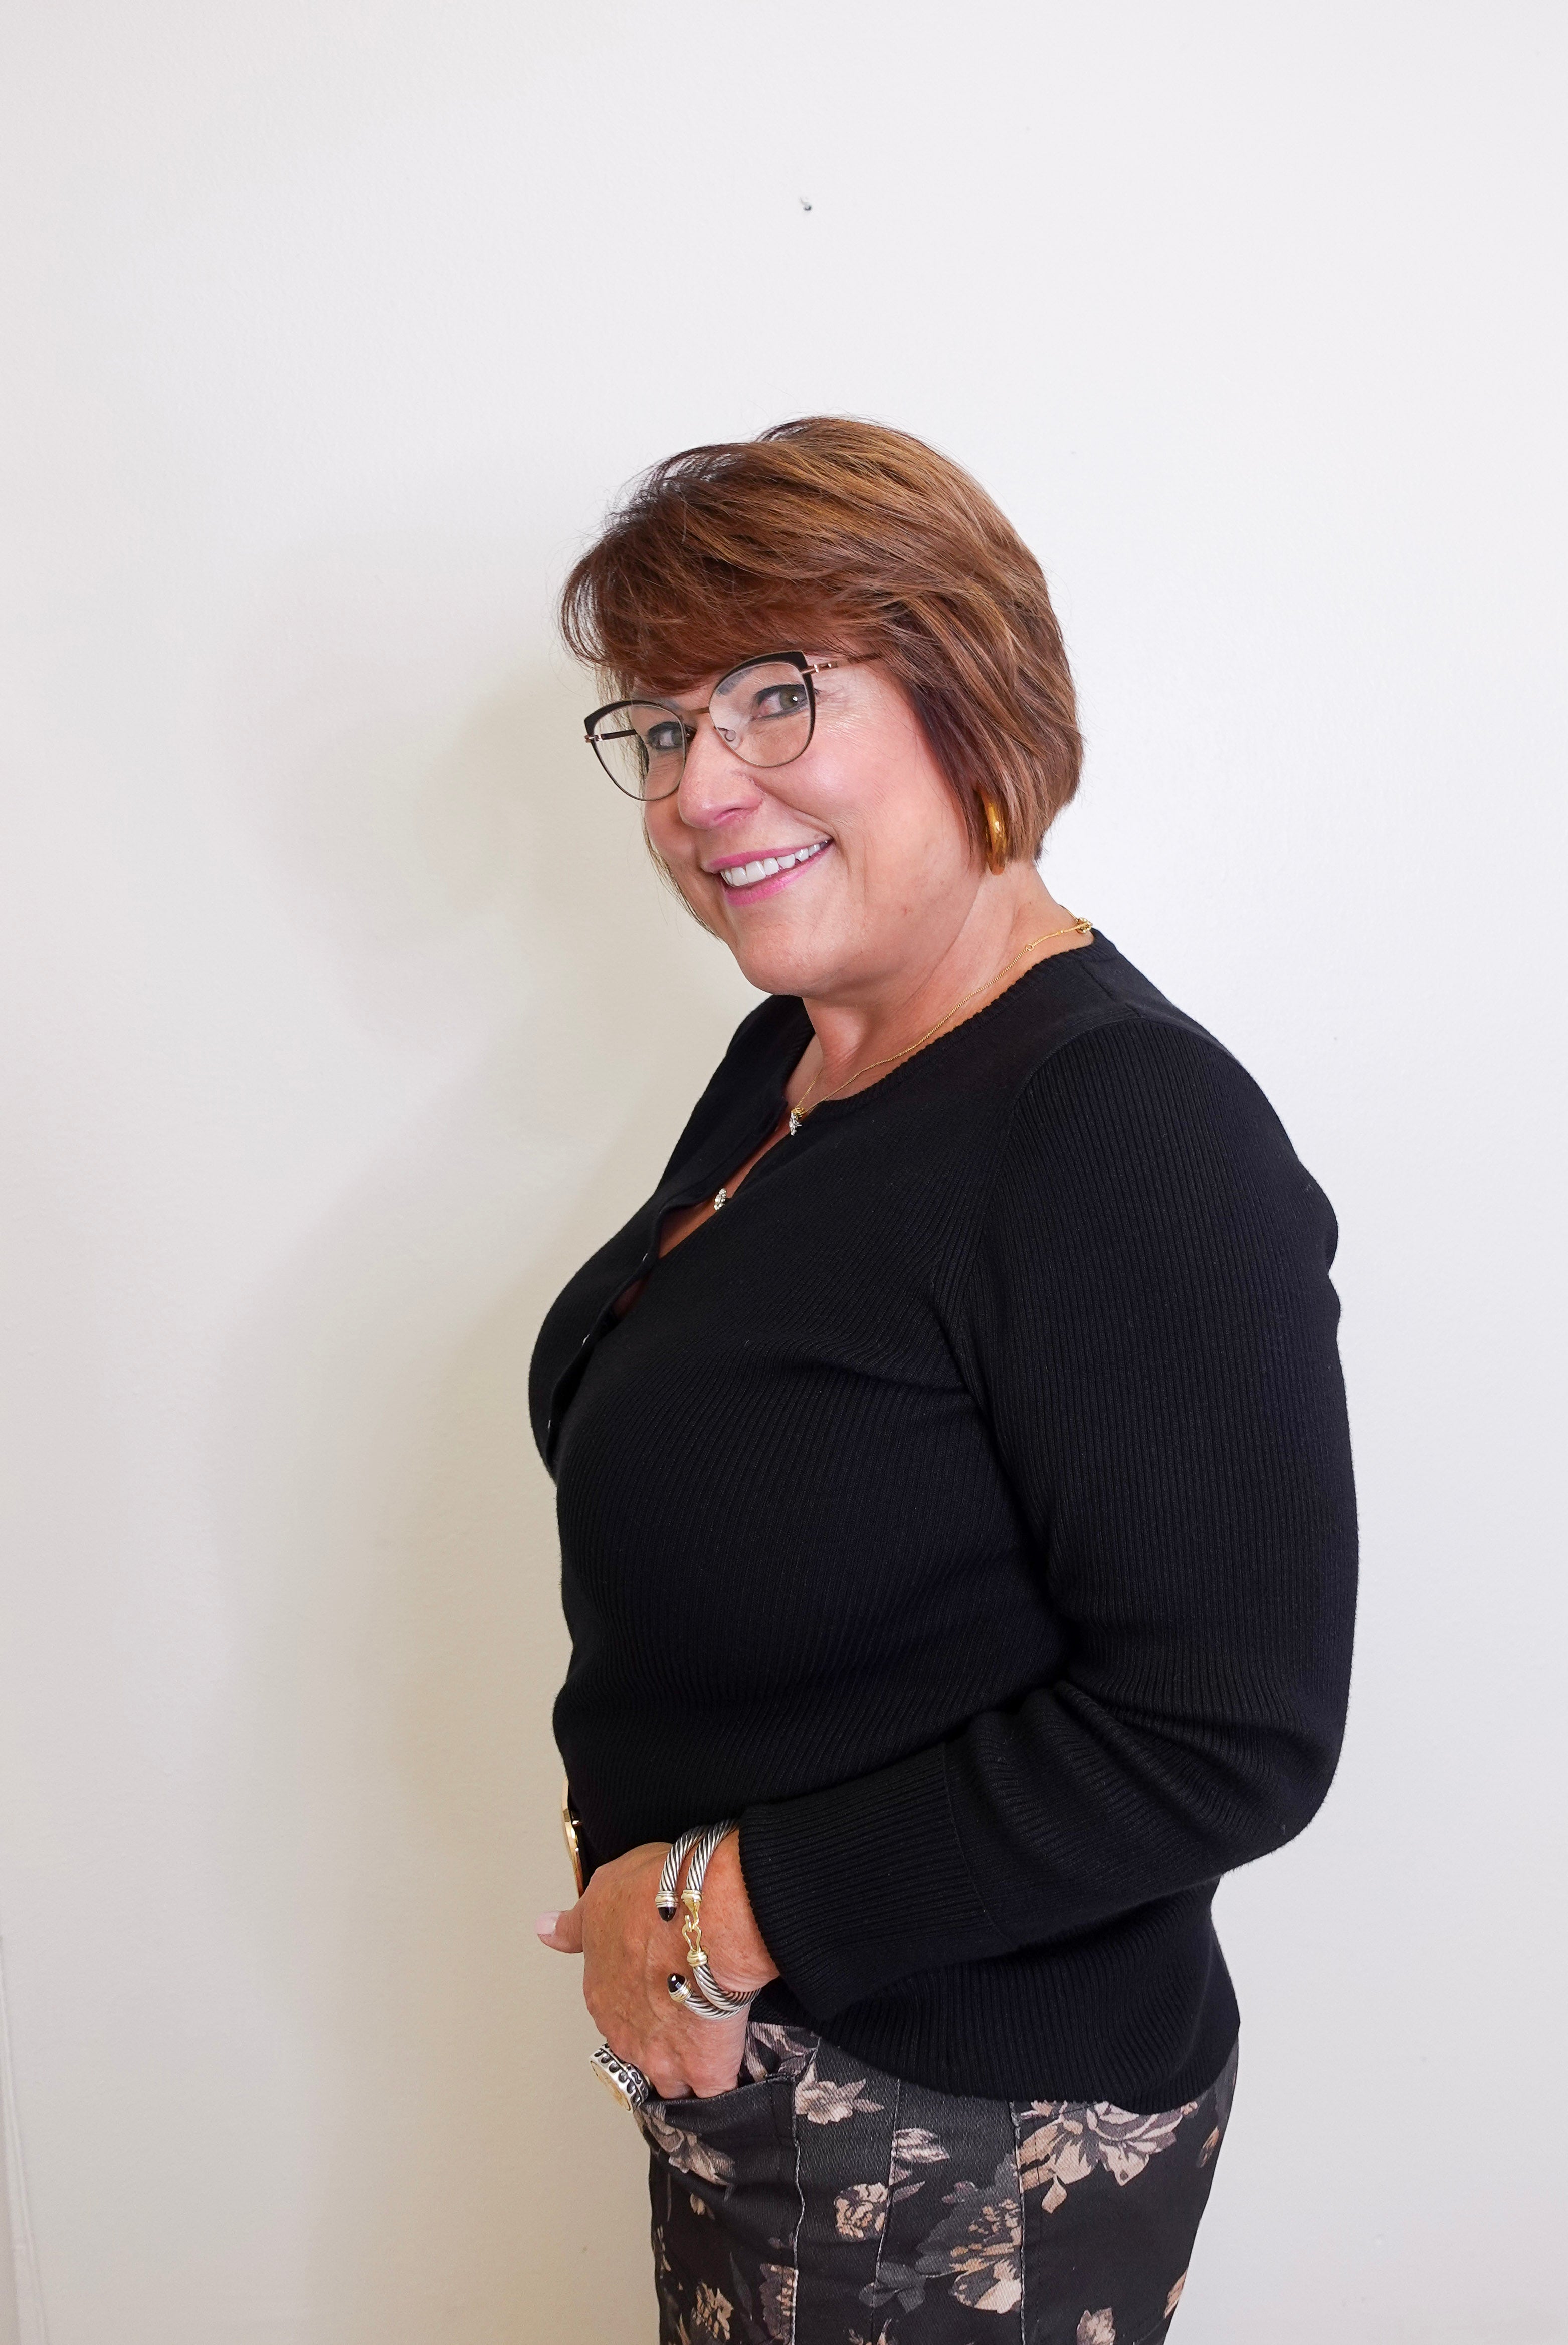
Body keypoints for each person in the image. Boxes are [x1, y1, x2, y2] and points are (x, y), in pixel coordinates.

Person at [531, 417, 1356, 2344]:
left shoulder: (1122, 1129)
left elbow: (1223, 1728)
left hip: (953, 2137)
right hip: (785, 2091)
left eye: (774, 697)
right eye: (662, 726)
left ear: (970, 696)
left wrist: (719, 1909)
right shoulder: (804, 1051)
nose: (697, 787)